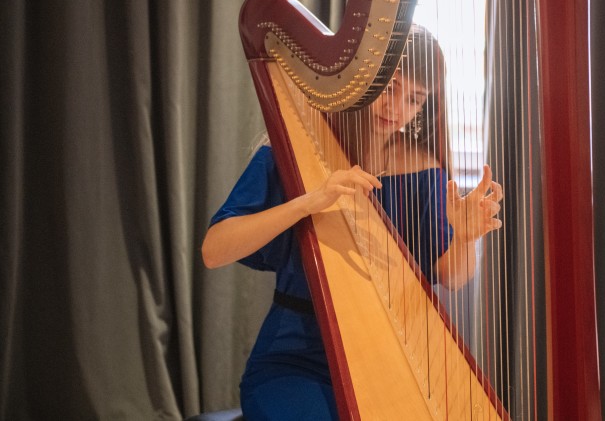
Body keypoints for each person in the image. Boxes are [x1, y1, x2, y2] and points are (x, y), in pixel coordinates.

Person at [202, 26, 504, 420]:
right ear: (362, 82)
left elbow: (453, 277)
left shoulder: (423, 169)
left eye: (414, 100)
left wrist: (464, 239)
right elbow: (214, 250)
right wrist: (308, 201)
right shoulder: (291, 153)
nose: (396, 108)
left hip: (389, 358)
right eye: (391, 88)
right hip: (295, 359)